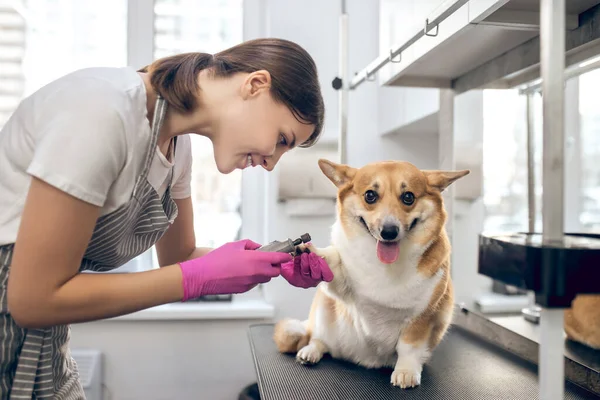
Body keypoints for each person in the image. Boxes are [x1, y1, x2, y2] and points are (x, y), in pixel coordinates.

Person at [0, 38, 334, 399]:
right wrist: (195, 279)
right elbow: (33, 299)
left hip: (42, 349)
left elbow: (180, 258)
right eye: (282, 139)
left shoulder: (177, 147)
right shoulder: (102, 111)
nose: (271, 163)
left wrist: (270, 260)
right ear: (255, 85)